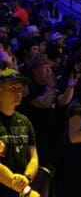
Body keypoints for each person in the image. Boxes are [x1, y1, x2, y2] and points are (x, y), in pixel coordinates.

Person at [0, 68, 40, 197]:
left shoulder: (24, 121)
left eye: (20, 88)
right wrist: (19, 185)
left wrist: (27, 177)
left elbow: (33, 157)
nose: (19, 92)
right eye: (13, 88)